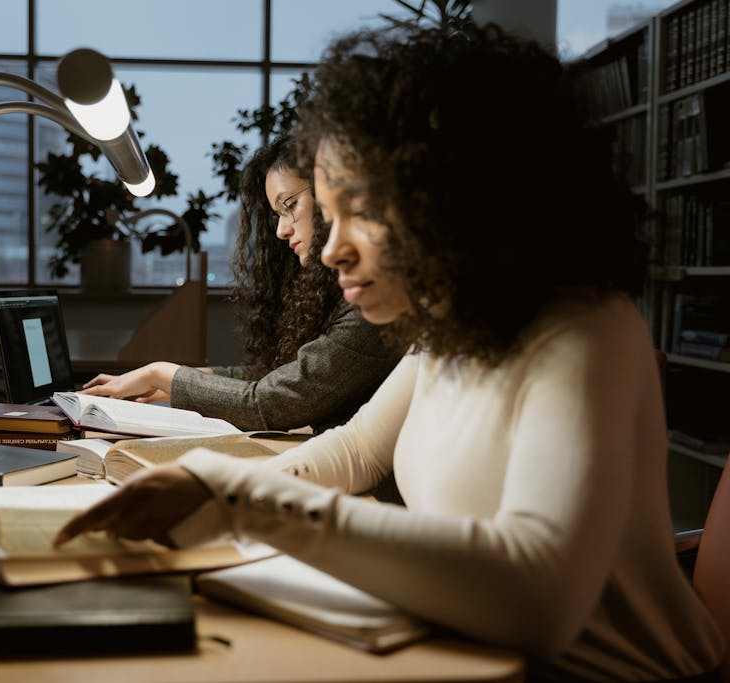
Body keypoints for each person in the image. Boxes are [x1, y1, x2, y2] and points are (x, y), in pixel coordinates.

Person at [55, 21, 726, 682]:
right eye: (327, 213)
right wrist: (193, 486)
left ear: (455, 192)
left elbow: (537, 596)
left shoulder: (585, 328)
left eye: (360, 211)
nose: (327, 248)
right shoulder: (447, 330)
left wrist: (234, 497)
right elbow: (354, 452)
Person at [80, 135, 399, 435]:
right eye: (277, 214)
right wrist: (172, 382)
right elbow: (276, 377)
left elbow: (274, 401)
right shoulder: (346, 294)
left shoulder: (374, 306)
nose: (282, 231)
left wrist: (162, 375)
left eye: (289, 205)